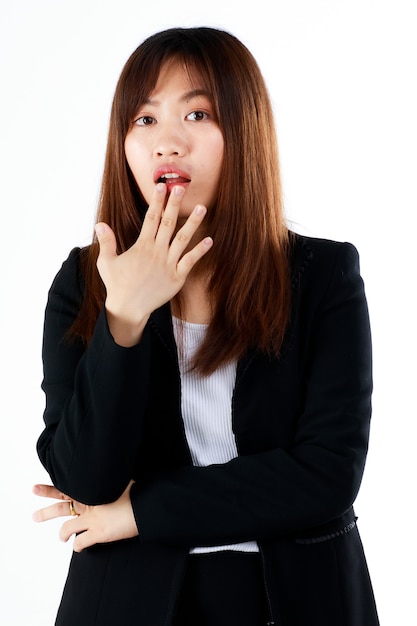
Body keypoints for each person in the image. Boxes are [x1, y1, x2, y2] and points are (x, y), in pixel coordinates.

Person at [32, 26, 379, 626]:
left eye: (196, 113)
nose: (167, 141)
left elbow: (326, 475)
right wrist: (126, 316)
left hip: (298, 599)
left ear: (243, 133)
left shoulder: (323, 276)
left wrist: (137, 510)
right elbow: (86, 476)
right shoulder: (86, 281)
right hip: (130, 602)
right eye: (144, 120)